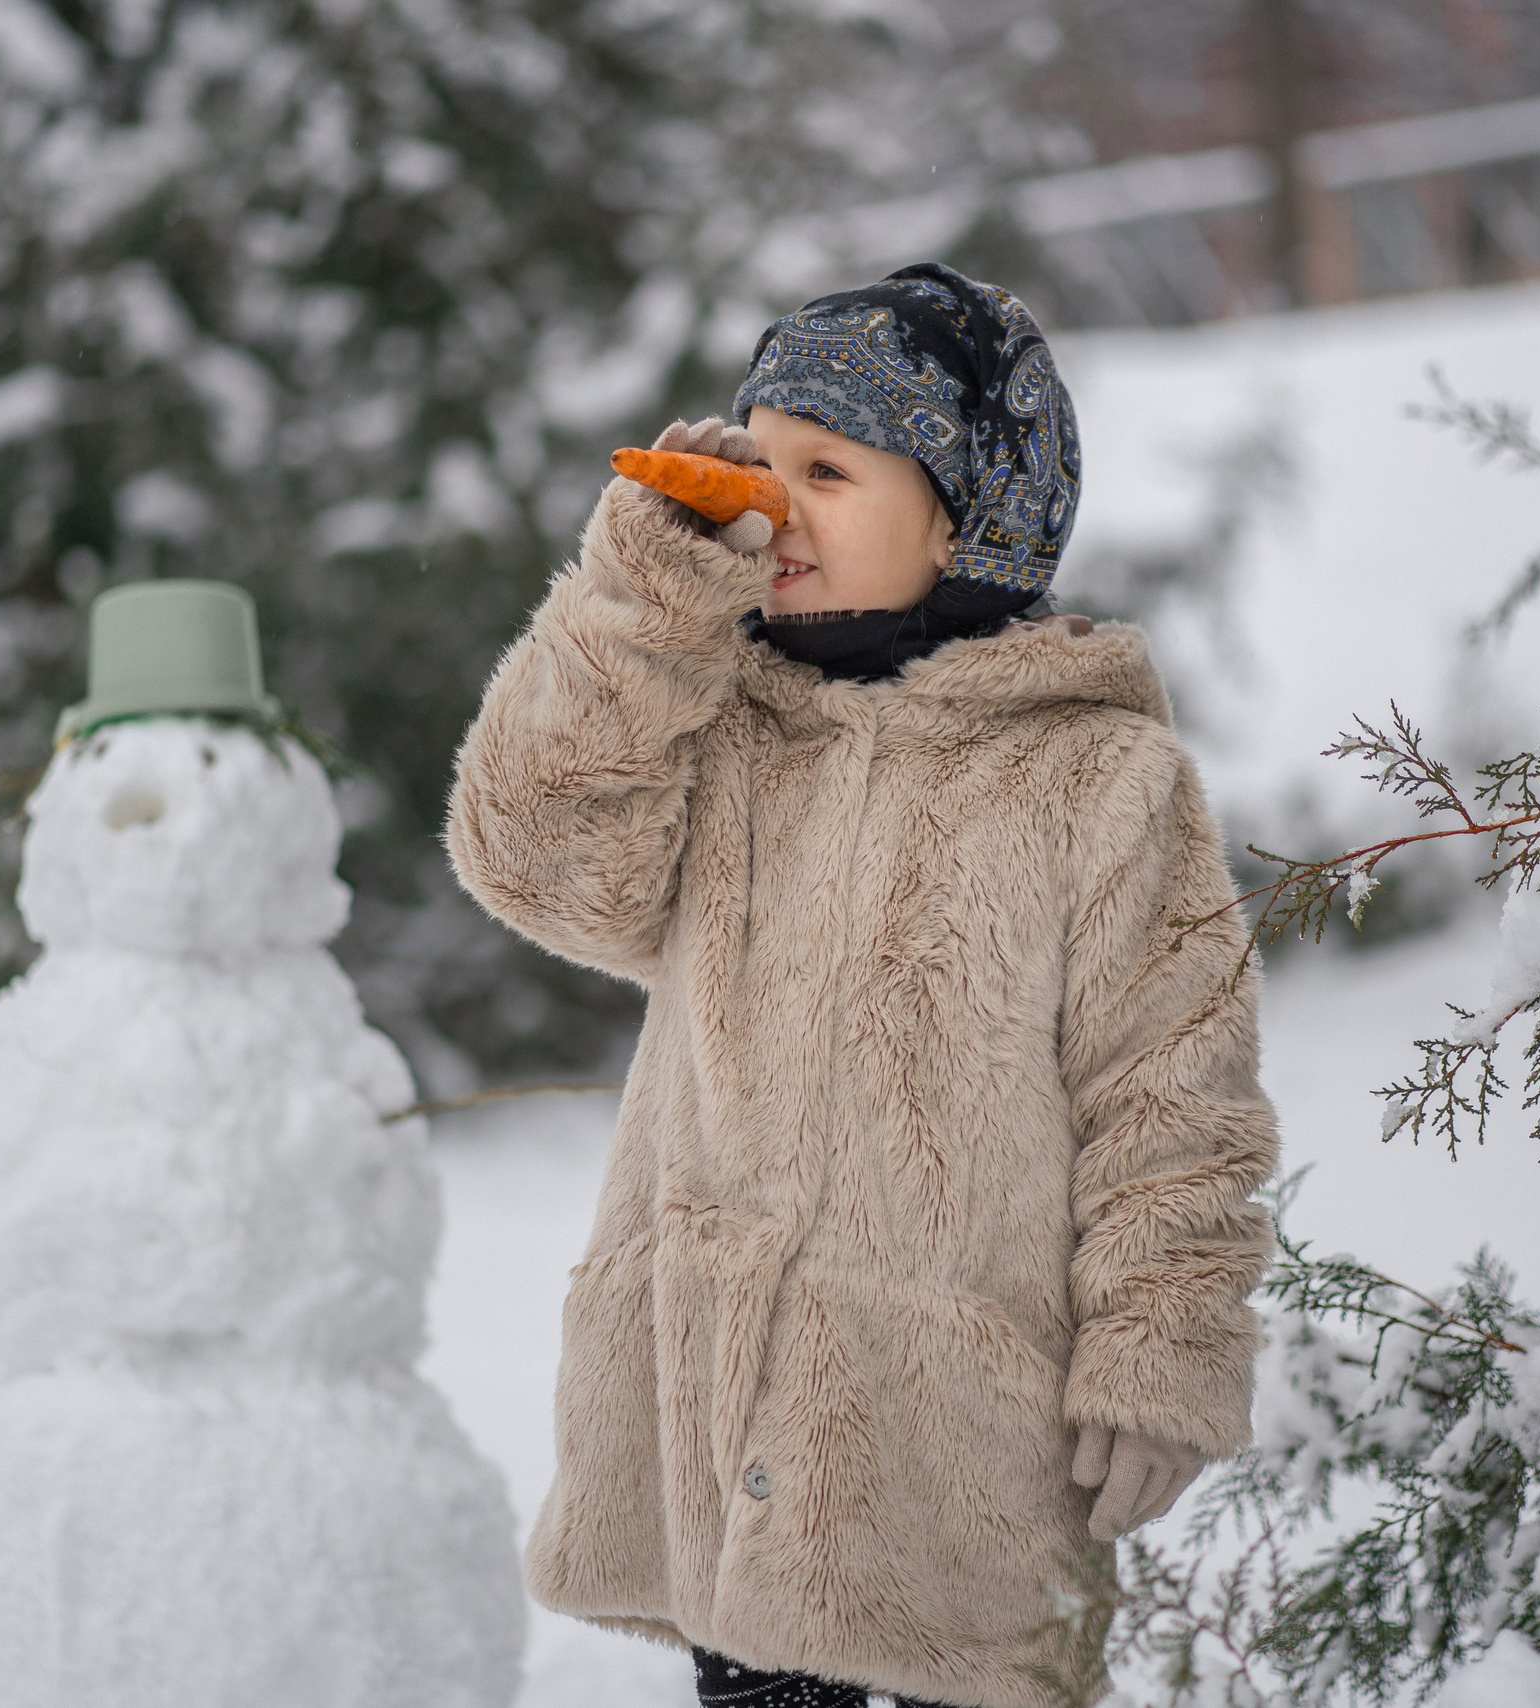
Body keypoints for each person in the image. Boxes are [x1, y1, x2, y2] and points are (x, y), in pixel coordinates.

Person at [442, 263, 1279, 1708]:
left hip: (961, 1456)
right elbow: (534, 853)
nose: (773, 507)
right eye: (755, 468)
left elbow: (1172, 1101)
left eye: (826, 472)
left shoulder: (1098, 778)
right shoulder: (711, 725)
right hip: (723, 1423)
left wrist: (1162, 1350)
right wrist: (646, 591)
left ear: (969, 514)